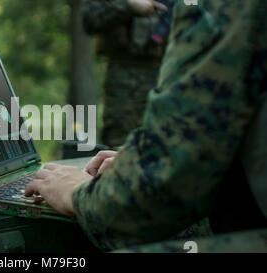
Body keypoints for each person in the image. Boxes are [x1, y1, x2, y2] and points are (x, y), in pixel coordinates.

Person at [25, 0, 267, 251]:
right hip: (128, 80)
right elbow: (91, 18)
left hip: (161, 76)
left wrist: (80, 195)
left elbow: (145, 205)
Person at [82, 0, 171, 148]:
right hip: (126, 79)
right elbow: (89, 19)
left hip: (173, 74)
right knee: (120, 145)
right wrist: (129, 5)